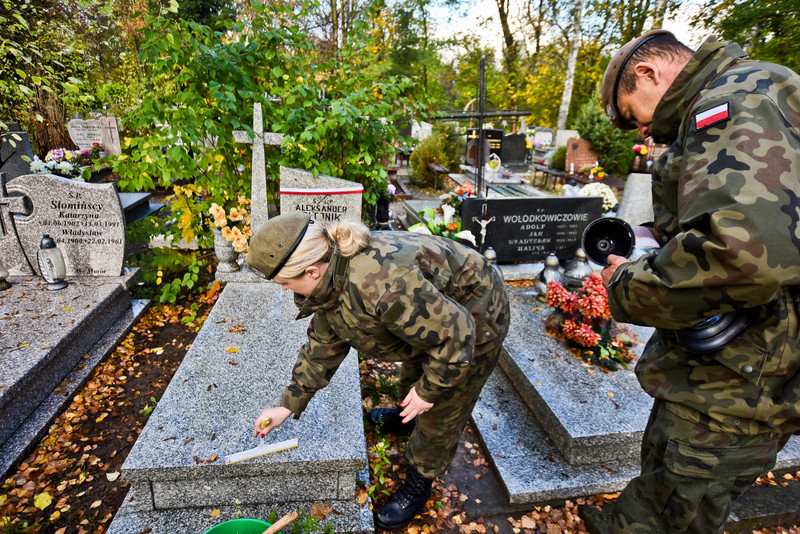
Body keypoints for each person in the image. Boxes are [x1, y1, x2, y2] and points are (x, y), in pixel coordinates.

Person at [599, 29, 800, 533]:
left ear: (648, 74)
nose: (639, 130)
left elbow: (742, 254)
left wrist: (625, 284)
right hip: (744, 371)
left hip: (737, 384)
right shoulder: (761, 87)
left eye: (631, 114)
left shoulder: (733, 99)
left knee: (664, 518)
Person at [246, 212, 510, 530]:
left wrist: (430, 391)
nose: (285, 290)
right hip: (435, 314)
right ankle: (405, 418)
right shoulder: (331, 277)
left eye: (285, 283)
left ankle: (419, 481)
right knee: (412, 381)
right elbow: (323, 347)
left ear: (312, 271)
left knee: (439, 408)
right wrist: (286, 405)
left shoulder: (382, 286)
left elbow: (456, 334)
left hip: (478, 312)